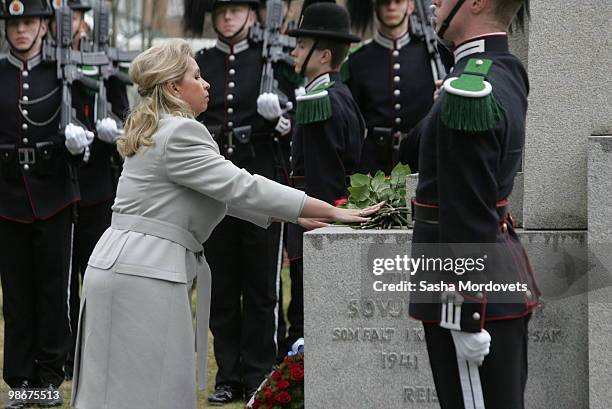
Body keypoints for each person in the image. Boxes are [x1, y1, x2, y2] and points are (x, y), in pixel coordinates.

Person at [69, 39, 382, 409]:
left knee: (112, 394)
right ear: (173, 87)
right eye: (197, 77)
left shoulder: (156, 128)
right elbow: (242, 186)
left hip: (123, 265)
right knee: (149, 394)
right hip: (145, 273)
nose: (207, 84)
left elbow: (217, 194)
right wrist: (331, 211)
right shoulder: (182, 132)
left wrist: (298, 213)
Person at [407, 1, 539, 408]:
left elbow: (466, 213)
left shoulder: (469, 90)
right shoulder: (502, 69)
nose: (434, 4)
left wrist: (466, 314)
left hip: (469, 292)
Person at [183, 0, 300, 403]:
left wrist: (285, 122)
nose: (227, 17)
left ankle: (259, 372)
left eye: (236, 9)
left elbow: (304, 108)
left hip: (261, 178)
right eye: (220, 10)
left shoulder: (277, 58)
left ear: (253, 14)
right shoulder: (199, 62)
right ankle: (228, 374)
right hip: (214, 185)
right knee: (222, 284)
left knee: (262, 285)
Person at [0, 0, 94, 408]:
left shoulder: (64, 72)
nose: (21, 30)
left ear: (43, 26)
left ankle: (49, 376)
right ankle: (20, 379)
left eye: (29, 22)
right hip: (7, 195)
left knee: (54, 288)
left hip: (54, 192)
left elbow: (89, 122)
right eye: (13, 23)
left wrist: (81, 141)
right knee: (17, 292)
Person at [47, 0, 131, 381]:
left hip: (96, 182)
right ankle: (63, 355)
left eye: (76, 17)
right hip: (56, 184)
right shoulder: (45, 65)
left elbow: (122, 113)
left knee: (95, 274)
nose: (71, 25)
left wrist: (112, 128)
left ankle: (96, 351)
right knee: (59, 278)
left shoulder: (103, 62)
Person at [284, 0, 365, 360]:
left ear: (323, 54)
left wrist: (308, 232)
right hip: (323, 225)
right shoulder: (338, 94)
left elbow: (321, 180)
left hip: (315, 229)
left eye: (302, 45)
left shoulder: (321, 102)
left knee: (308, 325)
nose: (294, 50)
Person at [344, 0, 436, 175]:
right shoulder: (358, 60)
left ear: (410, 6)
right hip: (374, 165)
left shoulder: (430, 55)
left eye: (398, 1)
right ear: (375, 7)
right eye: (384, 2)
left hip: (421, 160)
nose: (391, 7)